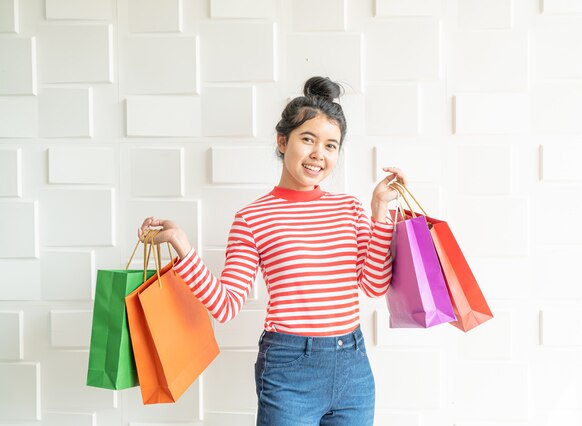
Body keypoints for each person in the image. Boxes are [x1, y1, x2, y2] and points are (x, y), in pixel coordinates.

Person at [138, 76, 406, 426]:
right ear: (283, 141)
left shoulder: (350, 209)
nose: (318, 155)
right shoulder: (253, 218)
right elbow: (226, 305)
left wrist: (379, 211)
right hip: (289, 368)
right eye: (307, 139)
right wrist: (183, 248)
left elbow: (372, 285)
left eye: (330, 145)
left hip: (353, 366)